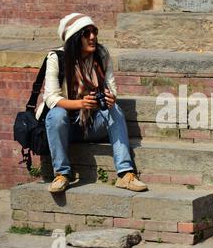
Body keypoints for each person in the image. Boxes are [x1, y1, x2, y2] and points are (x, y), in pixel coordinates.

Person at [37, 13, 147, 193]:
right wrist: (81, 104)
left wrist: (111, 98)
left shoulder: (101, 55)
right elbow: (51, 98)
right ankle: (62, 174)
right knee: (56, 114)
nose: (93, 37)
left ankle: (125, 174)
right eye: (86, 33)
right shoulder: (56, 58)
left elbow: (112, 87)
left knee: (115, 109)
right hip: (68, 127)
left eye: (94, 32)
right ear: (74, 38)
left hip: (94, 124)